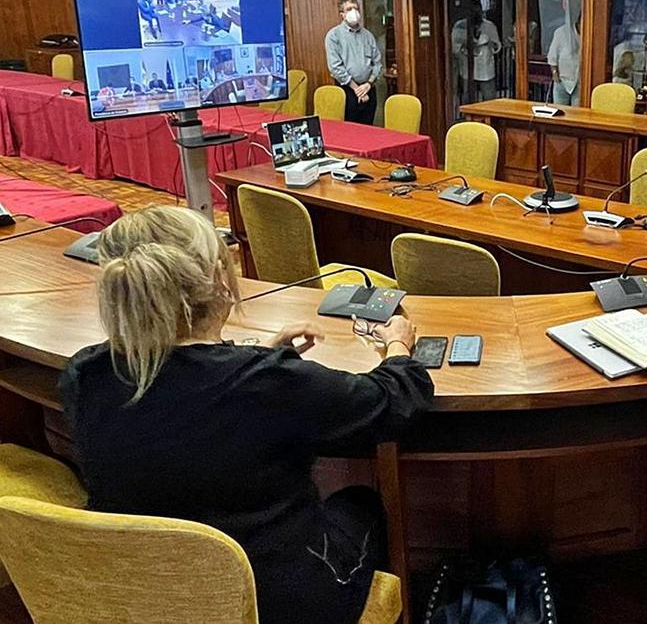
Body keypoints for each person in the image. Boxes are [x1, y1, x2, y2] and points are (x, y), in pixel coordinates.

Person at [59, 206, 434, 624]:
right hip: (272, 601)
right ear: (220, 281)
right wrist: (399, 346)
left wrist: (264, 356)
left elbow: (186, 401)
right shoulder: (266, 383)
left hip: (142, 592)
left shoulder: (84, 374)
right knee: (362, 502)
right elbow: (391, 403)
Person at [325, 0, 382, 125]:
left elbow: (377, 63)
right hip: (348, 90)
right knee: (350, 132)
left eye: (356, 8)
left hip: (369, 88)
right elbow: (335, 67)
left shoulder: (368, 35)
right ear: (342, 15)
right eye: (349, 9)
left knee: (368, 130)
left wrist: (368, 84)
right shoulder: (333, 36)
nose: (353, 12)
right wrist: (357, 90)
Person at [451, 0, 502, 102]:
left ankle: (490, 117)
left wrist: (492, 45)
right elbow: (454, 46)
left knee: (489, 97)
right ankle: (468, 116)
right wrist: (464, 48)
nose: (475, 13)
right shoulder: (460, 25)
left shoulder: (489, 26)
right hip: (467, 66)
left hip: (485, 66)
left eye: (477, 10)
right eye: (472, 11)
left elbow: (498, 45)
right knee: (468, 97)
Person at [546, 13, 581, 106]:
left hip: (580, 82)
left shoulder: (590, 35)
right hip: (562, 80)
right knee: (559, 111)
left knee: (576, 114)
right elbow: (552, 56)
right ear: (579, 22)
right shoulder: (561, 32)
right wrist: (555, 74)